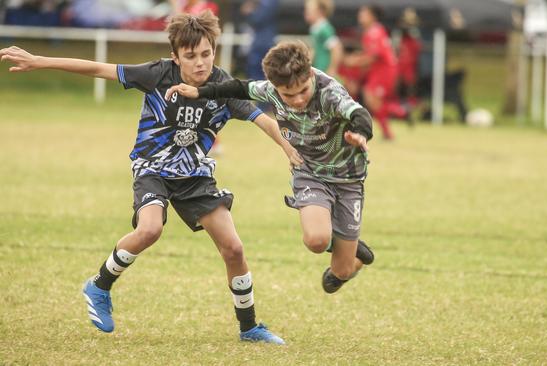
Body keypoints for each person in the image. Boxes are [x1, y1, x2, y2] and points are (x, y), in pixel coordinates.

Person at [0, 11, 299, 344]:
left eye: (206, 54)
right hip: (152, 168)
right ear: (175, 56)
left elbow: (264, 119)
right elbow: (99, 68)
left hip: (195, 176)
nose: (200, 63)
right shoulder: (158, 73)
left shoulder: (223, 86)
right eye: (190, 56)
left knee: (234, 249)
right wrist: (39, 60)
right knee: (150, 229)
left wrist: (289, 150)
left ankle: (249, 328)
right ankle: (98, 286)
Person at [165, 41, 375, 294]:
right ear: (275, 87)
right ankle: (338, 240)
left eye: (303, 91)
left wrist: (360, 133)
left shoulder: (329, 92)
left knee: (341, 272)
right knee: (316, 241)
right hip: (310, 171)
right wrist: (200, 92)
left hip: (349, 178)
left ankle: (354, 254)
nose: (297, 100)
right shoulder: (270, 90)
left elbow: (359, 113)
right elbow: (238, 87)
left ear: (310, 75)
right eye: (288, 95)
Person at [343, 4, 398, 140]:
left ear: (372, 16)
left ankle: (402, 113)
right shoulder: (373, 30)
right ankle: (393, 124)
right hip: (380, 68)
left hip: (384, 69)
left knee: (371, 97)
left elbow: (372, 57)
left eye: (363, 13)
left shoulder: (374, 32)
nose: (360, 16)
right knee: (372, 98)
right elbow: (370, 54)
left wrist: (354, 61)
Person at [240, 0, 279, 81]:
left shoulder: (268, 3)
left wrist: (250, 11)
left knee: (262, 71)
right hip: (260, 41)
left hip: (263, 42)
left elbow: (258, 18)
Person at [303, 0, 343, 78]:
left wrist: (332, 69)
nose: (305, 13)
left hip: (325, 70)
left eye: (309, 10)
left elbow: (337, 49)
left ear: (319, 11)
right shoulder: (315, 28)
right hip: (318, 69)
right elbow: (314, 49)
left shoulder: (325, 29)